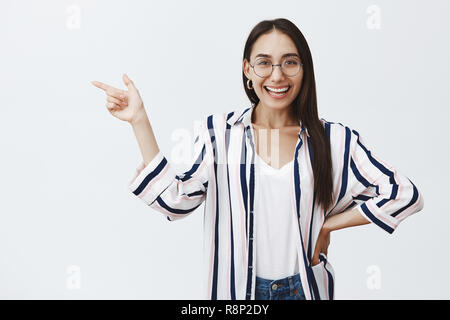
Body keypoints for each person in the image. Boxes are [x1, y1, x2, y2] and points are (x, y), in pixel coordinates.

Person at [91, 18, 424, 300]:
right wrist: (139, 120)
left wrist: (329, 224)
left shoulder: (335, 139)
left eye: (289, 62)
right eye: (264, 63)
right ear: (248, 70)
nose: (277, 76)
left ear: (303, 69)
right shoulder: (219, 133)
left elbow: (405, 194)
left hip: (305, 288)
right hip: (236, 293)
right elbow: (173, 201)